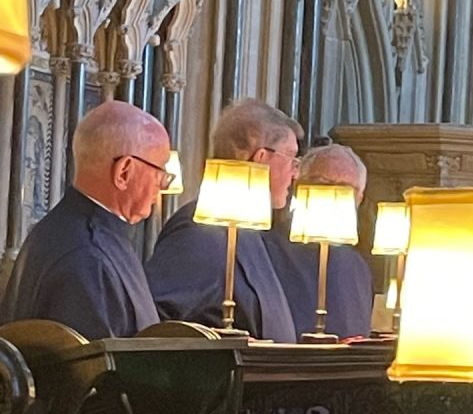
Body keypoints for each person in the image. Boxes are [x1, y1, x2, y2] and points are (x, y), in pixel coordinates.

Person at [0, 101, 166, 339]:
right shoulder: (89, 257)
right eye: (160, 173)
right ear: (124, 172)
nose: (162, 187)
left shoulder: (65, 228)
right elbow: (94, 372)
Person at [145, 99, 297, 341]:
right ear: (261, 158)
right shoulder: (201, 232)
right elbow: (154, 323)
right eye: (291, 156)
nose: (295, 172)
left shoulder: (250, 230)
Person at [263, 144, 373, 340]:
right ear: (297, 185)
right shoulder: (265, 250)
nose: (332, 194)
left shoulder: (357, 266)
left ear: (359, 199)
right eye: (322, 183)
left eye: (345, 189)